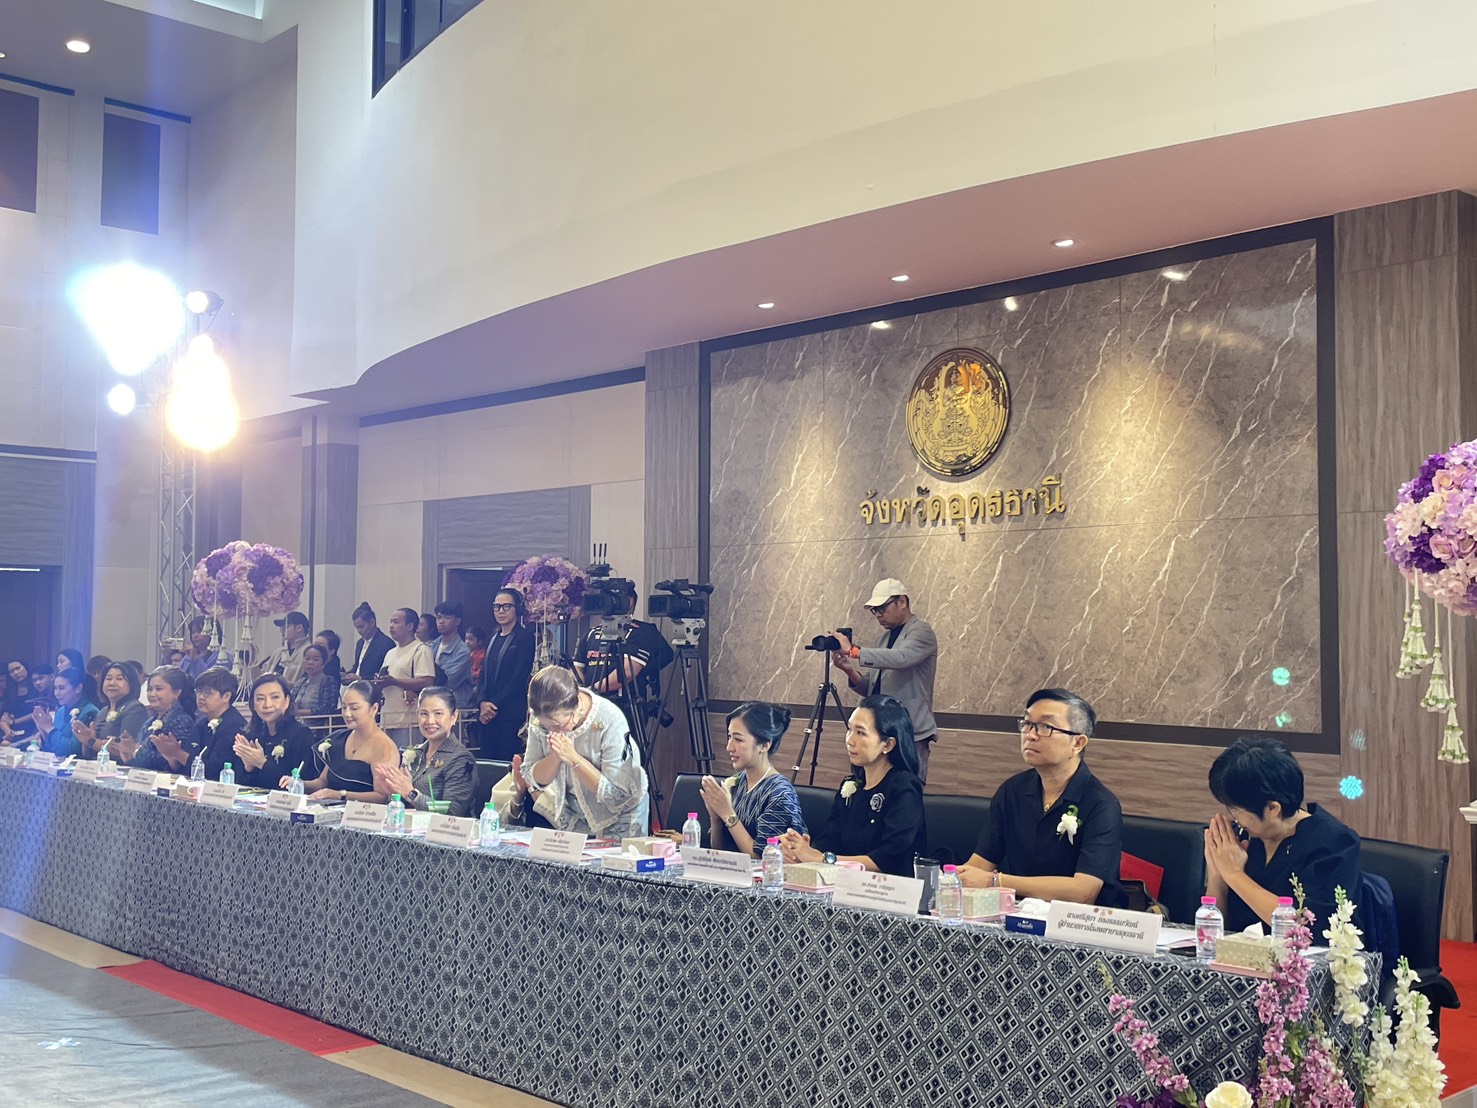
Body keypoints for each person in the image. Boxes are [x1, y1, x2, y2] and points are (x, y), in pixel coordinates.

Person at [958, 688, 1128, 907]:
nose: (1030, 735)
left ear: (1077, 743)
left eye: (1046, 727)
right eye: (1027, 724)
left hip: (1080, 922)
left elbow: (1083, 892)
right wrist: (953, 879)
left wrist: (995, 881)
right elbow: (980, 864)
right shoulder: (1012, 791)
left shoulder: (1101, 805)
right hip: (1020, 915)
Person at [1205, 734, 1361, 935]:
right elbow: (1211, 931)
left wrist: (1234, 875)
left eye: (1236, 809)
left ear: (1272, 808)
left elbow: (1307, 926)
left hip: (1302, 954)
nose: (1232, 817)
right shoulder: (1241, 837)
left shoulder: (1333, 842)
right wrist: (1218, 876)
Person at [779, 694, 926, 876]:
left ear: (887, 744)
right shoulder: (851, 785)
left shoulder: (904, 786)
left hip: (890, 887)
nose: (849, 740)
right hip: (847, 884)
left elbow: (888, 858)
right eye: (849, 730)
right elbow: (830, 840)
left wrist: (821, 859)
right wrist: (803, 851)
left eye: (861, 733)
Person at [504, 665, 649, 837]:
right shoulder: (540, 719)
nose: (552, 731)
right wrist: (556, 756)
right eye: (547, 726)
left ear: (576, 706)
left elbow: (616, 795)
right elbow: (532, 777)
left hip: (620, 815)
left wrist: (573, 759)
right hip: (573, 813)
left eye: (558, 725)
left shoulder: (610, 719)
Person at [830, 578, 939, 782]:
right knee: (874, 788)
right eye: (875, 610)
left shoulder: (921, 631)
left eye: (882, 608)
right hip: (879, 731)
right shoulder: (882, 639)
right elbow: (872, 688)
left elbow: (902, 658)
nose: (878, 614)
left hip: (909, 730)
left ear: (902, 601)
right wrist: (849, 670)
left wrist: (853, 651)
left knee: (907, 788)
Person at [700, 703, 807, 857]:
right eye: (729, 737)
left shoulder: (780, 794)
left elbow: (762, 857)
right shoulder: (737, 782)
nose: (729, 747)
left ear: (764, 745)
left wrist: (728, 814)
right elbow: (719, 852)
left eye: (738, 739)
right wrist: (716, 817)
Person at [372, 686, 476, 817]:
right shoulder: (415, 754)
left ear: (454, 716)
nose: (430, 721)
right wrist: (393, 792)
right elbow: (403, 805)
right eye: (424, 714)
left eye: (438, 714)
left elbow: (453, 814)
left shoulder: (461, 759)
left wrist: (410, 793)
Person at [291, 680, 397, 803]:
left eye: (354, 708)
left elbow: (382, 796)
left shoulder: (383, 747)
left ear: (373, 709)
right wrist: (299, 783)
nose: (347, 714)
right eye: (344, 707)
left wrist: (339, 795)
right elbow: (322, 782)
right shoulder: (338, 738)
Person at [476, 588, 536, 760]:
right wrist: (482, 702)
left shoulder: (524, 637)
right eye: (497, 607)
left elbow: (519, 677)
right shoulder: (492, 637)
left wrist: (493, 705)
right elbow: (483, 674)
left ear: (517, 608)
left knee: (507, 763)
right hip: (486, 713)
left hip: (509, 713)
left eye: (506, 606)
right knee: (487, 762)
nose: (501, 611)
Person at [231, 674, 318, 788]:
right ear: (253, 705)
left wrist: (262, 763)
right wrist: (249, 768)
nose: (267, 705)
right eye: (260, 699)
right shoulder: (252, 735)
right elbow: (239, 786)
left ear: (286, 701)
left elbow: (301, 783)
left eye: (275, 697)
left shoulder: (301, 734)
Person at [115, 666, 196, 773]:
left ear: (177, 692)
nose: (152, 694)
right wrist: (128, 754)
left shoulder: (182, 720)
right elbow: (140, 758)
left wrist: (135, 750)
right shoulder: (149, 721)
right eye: (150, 689)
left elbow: (173, 763)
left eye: (158, 689)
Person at [374, 607, 435, 746]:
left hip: (409, 720)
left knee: (407, 758)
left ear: (410, 626)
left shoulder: (421, 650)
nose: (391, 626)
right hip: (387, 718)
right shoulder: (390, 653)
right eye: (391, 622)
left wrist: (394, 681)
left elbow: (427, 681)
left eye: (396, 622)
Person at [180, 667, 248, 779]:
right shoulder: (201, 724)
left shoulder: (234, 726)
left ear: (226, 696)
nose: (201, 697)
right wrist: (171, 755)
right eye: (198, 691)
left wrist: (178, 754)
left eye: (207, 693)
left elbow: (214, 771)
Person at [73, 662, 148, 760]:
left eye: (119, 679)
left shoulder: (135, 708)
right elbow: (88, 755)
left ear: (131, 684)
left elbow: (123, 751)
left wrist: (92, 741)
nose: (112, 683)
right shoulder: (102, 712)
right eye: (108, 679)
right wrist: (86, 740)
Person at [31, 667, 99, 759]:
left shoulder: (90, 711)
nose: (57, 693)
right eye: (55, 688)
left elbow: (71, 750)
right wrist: (43, 729)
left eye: (61, 688)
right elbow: (51, 749)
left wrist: (49, 728)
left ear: (78, 688)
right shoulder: (60, 711)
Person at [429, 600, 474, 709]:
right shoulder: (431, 645)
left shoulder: (462, 651)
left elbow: (447, 682)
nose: (441, 621)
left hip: (454, 706)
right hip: (433, 703)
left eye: (446, 618)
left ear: (457, 621)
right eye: (438, 617)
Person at [345, 602, 394, 684]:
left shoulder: (386, 644)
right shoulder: (360, 643)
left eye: (361, 627)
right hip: (357, 687)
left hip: (373, 688)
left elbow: (383, 674)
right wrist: (346, 675)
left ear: (372, 622)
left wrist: (361, 678)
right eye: (356, 628)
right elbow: (358, 668)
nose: (359, 631)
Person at [262, 610, 311, 687]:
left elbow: (309, 684)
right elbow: (261, 678)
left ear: (299, 628)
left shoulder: (309, 652)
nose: (282, 631)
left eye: (286, 627)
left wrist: (281, 684)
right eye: (281, 628)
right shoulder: (278, 653)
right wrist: (253, 662)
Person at [291, 643, 340, 718]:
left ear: (323, 664)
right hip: (296, 722)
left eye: (315, 659)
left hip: (317, 724)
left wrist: (297, 712)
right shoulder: (301, 681)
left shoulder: (328, 681)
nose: (310, 662)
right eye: (307, 658)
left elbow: (326, 709)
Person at [179, 616, 222, 680]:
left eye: (200, 631)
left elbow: (212, 681)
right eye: (193, 632)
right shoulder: (187, 657)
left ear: (213, 633)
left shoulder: (221, 656)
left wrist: (196, 659)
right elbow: (177, 679)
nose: (195, 636)